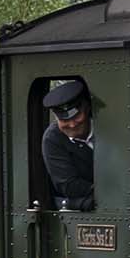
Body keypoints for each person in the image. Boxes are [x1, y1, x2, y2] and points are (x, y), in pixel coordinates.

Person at [40, 76, 98, 211]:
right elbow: (68, 186)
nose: (72, 125)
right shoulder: (53, 139)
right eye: (64, 120)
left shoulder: (109, 127)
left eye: (77, 116)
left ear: (87, 108)